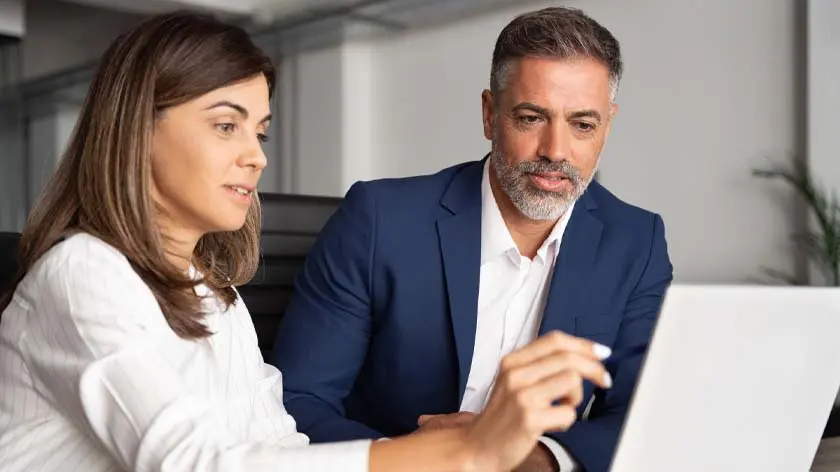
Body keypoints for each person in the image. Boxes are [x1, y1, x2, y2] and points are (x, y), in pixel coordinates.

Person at [0, 11, 613, 472]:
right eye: (225, 125)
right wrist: (464, 451)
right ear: (138, 132)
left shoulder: (216, 298)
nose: (256, 156)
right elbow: (195, 462)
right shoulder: (82, 273)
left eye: (260, 131)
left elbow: (278, 449)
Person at [270, 6, 673, 472]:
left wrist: (523, 458)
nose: (556, 152)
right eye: (530, 118)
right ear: (489, 114)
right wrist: (425, 458)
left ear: (606, 126)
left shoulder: (636, 242)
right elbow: (297, 401)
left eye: (582, 124)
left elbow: (641, 415)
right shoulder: (379, 219)